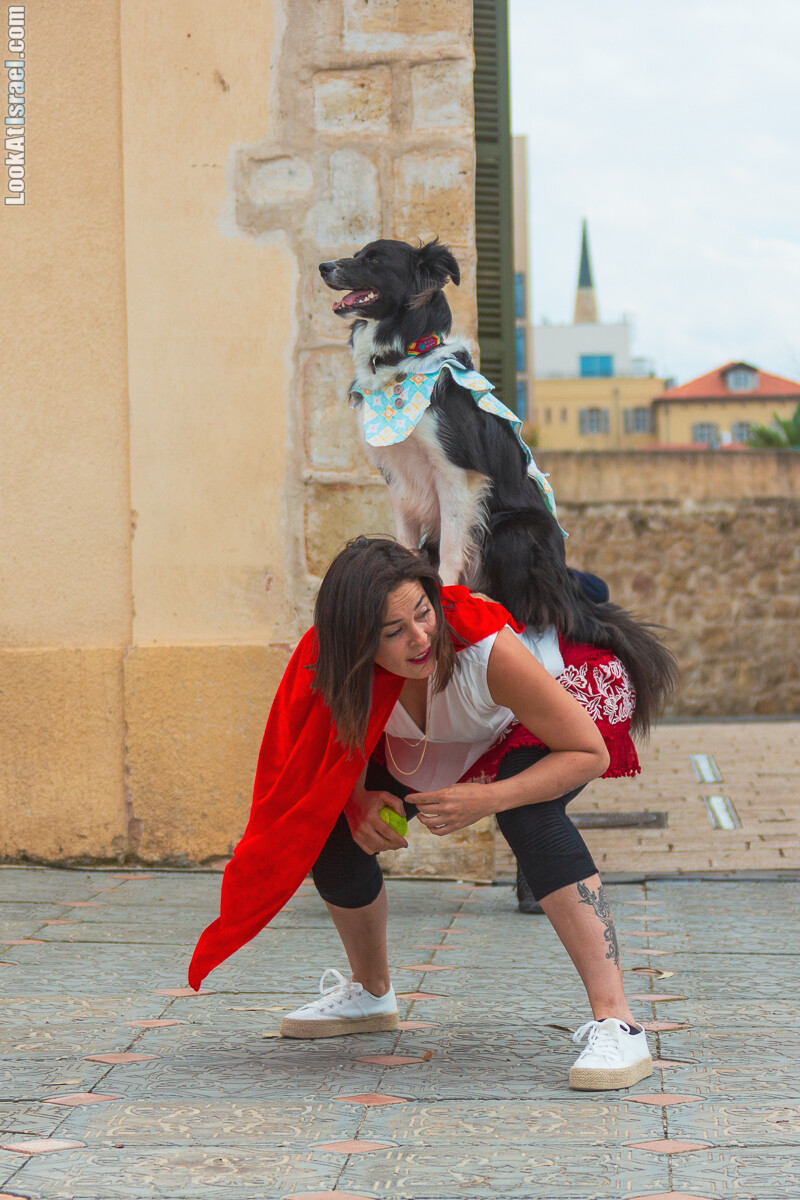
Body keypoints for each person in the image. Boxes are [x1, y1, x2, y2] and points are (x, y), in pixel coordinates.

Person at [189, 537, 652, 1091]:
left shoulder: (484, 648)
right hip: (444, 735)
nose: (420, 638)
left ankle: (618, 1023)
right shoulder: (332, 667)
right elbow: (329, 755)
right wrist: (358, 800)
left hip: (552, 707)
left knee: (528, 815)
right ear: (357, 644)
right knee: (335, 829)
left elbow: (586, 753)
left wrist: (488, 797)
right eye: (394, 632)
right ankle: (371, 993)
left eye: (423, 613)